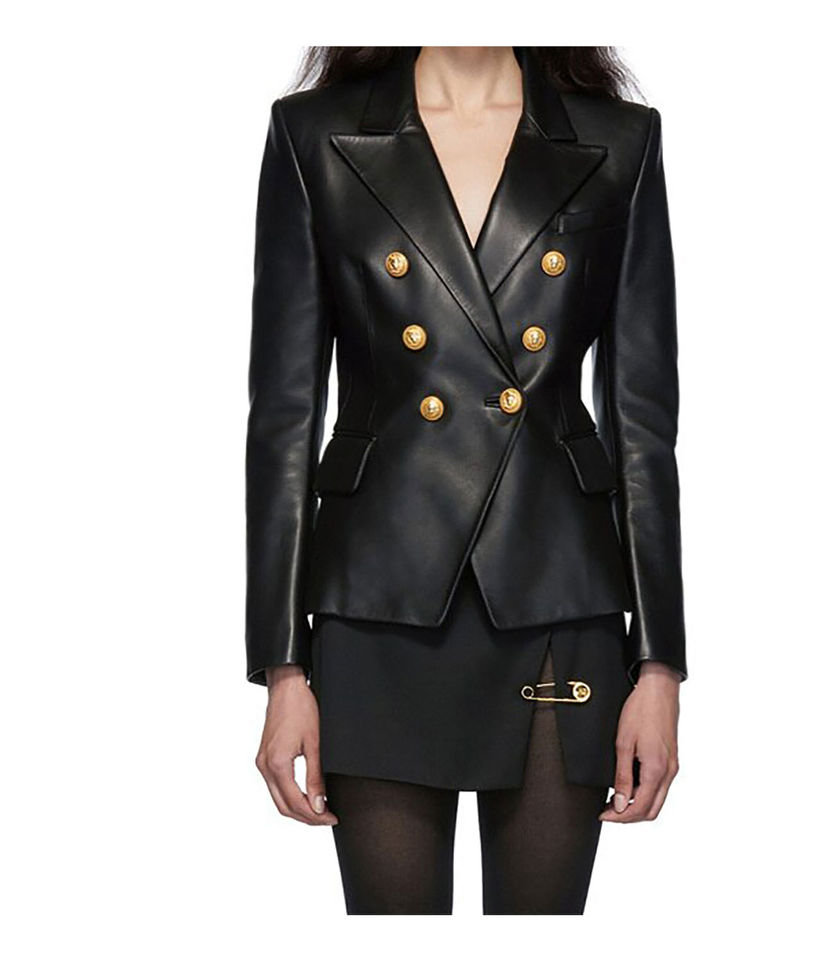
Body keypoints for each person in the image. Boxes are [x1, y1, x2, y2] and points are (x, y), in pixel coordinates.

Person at [246, 45, 686, 915]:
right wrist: (283, 666)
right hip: (379, 602)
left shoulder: (620, 140)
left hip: (556, 593)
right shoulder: (313, 134)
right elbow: (284, 419)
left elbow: (642, 423)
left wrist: (659, 663)